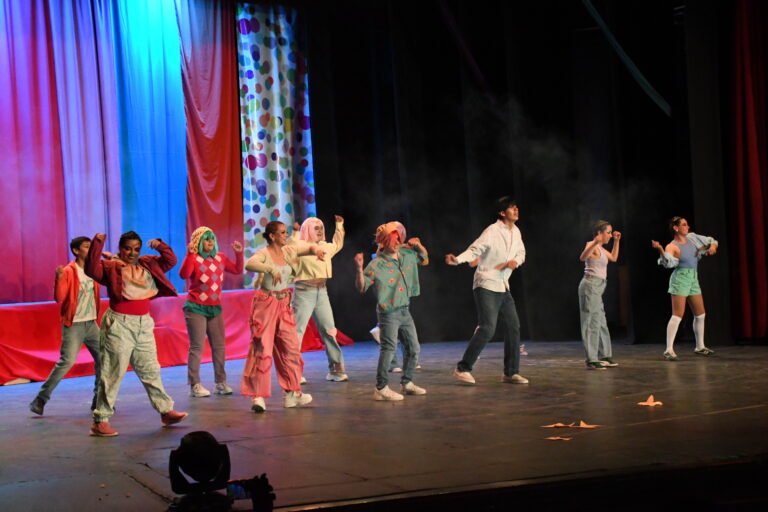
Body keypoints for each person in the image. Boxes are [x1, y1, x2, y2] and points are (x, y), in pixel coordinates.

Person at [85, 231, 187, 437]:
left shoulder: (147, 264)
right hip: (119, 324)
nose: (132, 253)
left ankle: (165, 411)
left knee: (150, 369)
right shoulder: (111, 266)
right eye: (127, 248)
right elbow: (90, 269)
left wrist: (160, 245)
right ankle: (100, 420)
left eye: (136, 249)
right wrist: (97, 243)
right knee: (112, 372)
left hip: (144, 323)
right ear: (120, 248)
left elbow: (171, 261)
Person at [445, 196, 528, 385]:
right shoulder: (492, 231)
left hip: (503, 286)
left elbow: (521, 252)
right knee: (488, 328)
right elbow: (475, 250)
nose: (516, 210)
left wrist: (516, 261)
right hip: (486, 283)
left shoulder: (516, 232)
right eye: (511, 208)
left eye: (516, 207)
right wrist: (457, 259)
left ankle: (510, 372)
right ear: (502, 212)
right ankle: (462, 368)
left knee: (513, 327)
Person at [241, 221, 323, 412]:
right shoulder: (264, 253)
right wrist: (269, 268)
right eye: (282, 233)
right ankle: (258, 396)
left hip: (283, 303)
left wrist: (315, 250)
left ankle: (292, 393)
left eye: (286, 232)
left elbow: (307, 247)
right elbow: (249, 263)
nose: (285, 236)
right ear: (272, 236)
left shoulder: (288, 251)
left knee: (291, 347)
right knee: (263, 348)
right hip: (266, 304)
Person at [354, 221, 429, 401]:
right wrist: (358, 269)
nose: (397, 242)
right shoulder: (376, 264)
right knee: (388, 349)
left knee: (413, 348)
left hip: (405, 310)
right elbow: (361, 287)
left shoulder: (406, 254)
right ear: (385, 242)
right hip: (388, 313)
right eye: (393, 240)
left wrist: (418, 245)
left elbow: (425, 259)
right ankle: (381, 388)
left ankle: (407, 383)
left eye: (398, 238)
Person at [29, 237, 101, 416]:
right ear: (76, 251)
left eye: (91, 247)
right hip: (74, 324)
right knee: (66, 362)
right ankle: (41, 398)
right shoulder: (69, 270)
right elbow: (59, 298)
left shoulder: (94, 269)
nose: (90, 250)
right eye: (86, 247)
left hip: (92, 323)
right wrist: (58, 278)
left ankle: (99, 400)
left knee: (104, 360)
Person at [179, 227, 244, 398]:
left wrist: (239, 254)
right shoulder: (194, 258)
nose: (210, 242)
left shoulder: (220, 258)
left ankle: (220, 383)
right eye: (206, 239)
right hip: (195, 307)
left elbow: (237, 270)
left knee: (219, 346)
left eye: (212, 239)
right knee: (197, 347)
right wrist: (189, 255)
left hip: (214, 308)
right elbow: (183, 274)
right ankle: (195, 385)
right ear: (199, 242)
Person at [652, 216, 718, 361]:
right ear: (676, 228)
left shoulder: (692, 238)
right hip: (680, 279)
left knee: (700, 314)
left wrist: (712, 247)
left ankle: (700, 346)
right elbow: (667, 263)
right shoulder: (672, 246)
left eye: (687, 224)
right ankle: (669, 349)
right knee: (677, 315)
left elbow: (711, 241)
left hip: (693, 278)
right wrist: (660, 250)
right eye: (684, 225)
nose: (687, 227)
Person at [291, 216, 348, 382]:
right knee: (297, 332)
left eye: (321, 227)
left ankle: (336, 370)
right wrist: (295, 233)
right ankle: (294, 372)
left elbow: (338, 243)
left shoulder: (325, 246)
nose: (320, 230)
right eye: (316, 228)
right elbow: (290, 247)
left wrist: (339, 225)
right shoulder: (300, 246)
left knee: (330, 330)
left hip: (322, 292)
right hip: (304, 292)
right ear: (307, 229)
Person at [578, 220, 622, 370]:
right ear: (599, 233)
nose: (610, 235)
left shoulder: (602, 250)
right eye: (608, 232)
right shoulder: (591, 245)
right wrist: (594, 243)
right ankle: (591, 358)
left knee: (601, 321)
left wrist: (616, 241)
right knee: (591, 321)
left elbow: (614, 258)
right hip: (590, 285)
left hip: (598, 287)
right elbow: (583, 257)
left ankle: (604, 355)